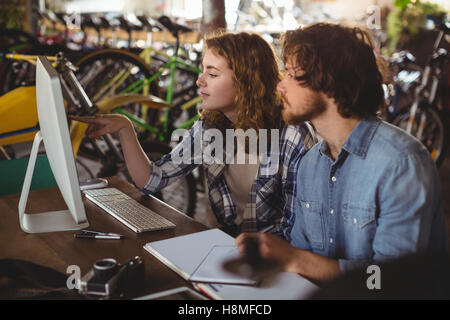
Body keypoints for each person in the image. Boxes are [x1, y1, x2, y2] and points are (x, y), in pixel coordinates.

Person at [236, 23, 447, 283]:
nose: (281, 86)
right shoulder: (310, 164)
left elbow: (395, 282)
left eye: (292, 74)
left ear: (329, 81)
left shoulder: (401, 163)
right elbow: (304, 259)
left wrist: (294, 259)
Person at [70, 31, 315, 237]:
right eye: (202, 71)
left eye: (212, 73)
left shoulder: (290, 135)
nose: (200, 81)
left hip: (276, 256)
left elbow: (300, 229)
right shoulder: (210, 127)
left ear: (246, 83)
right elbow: (152, 180)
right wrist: (125, 128)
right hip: (233, 243)